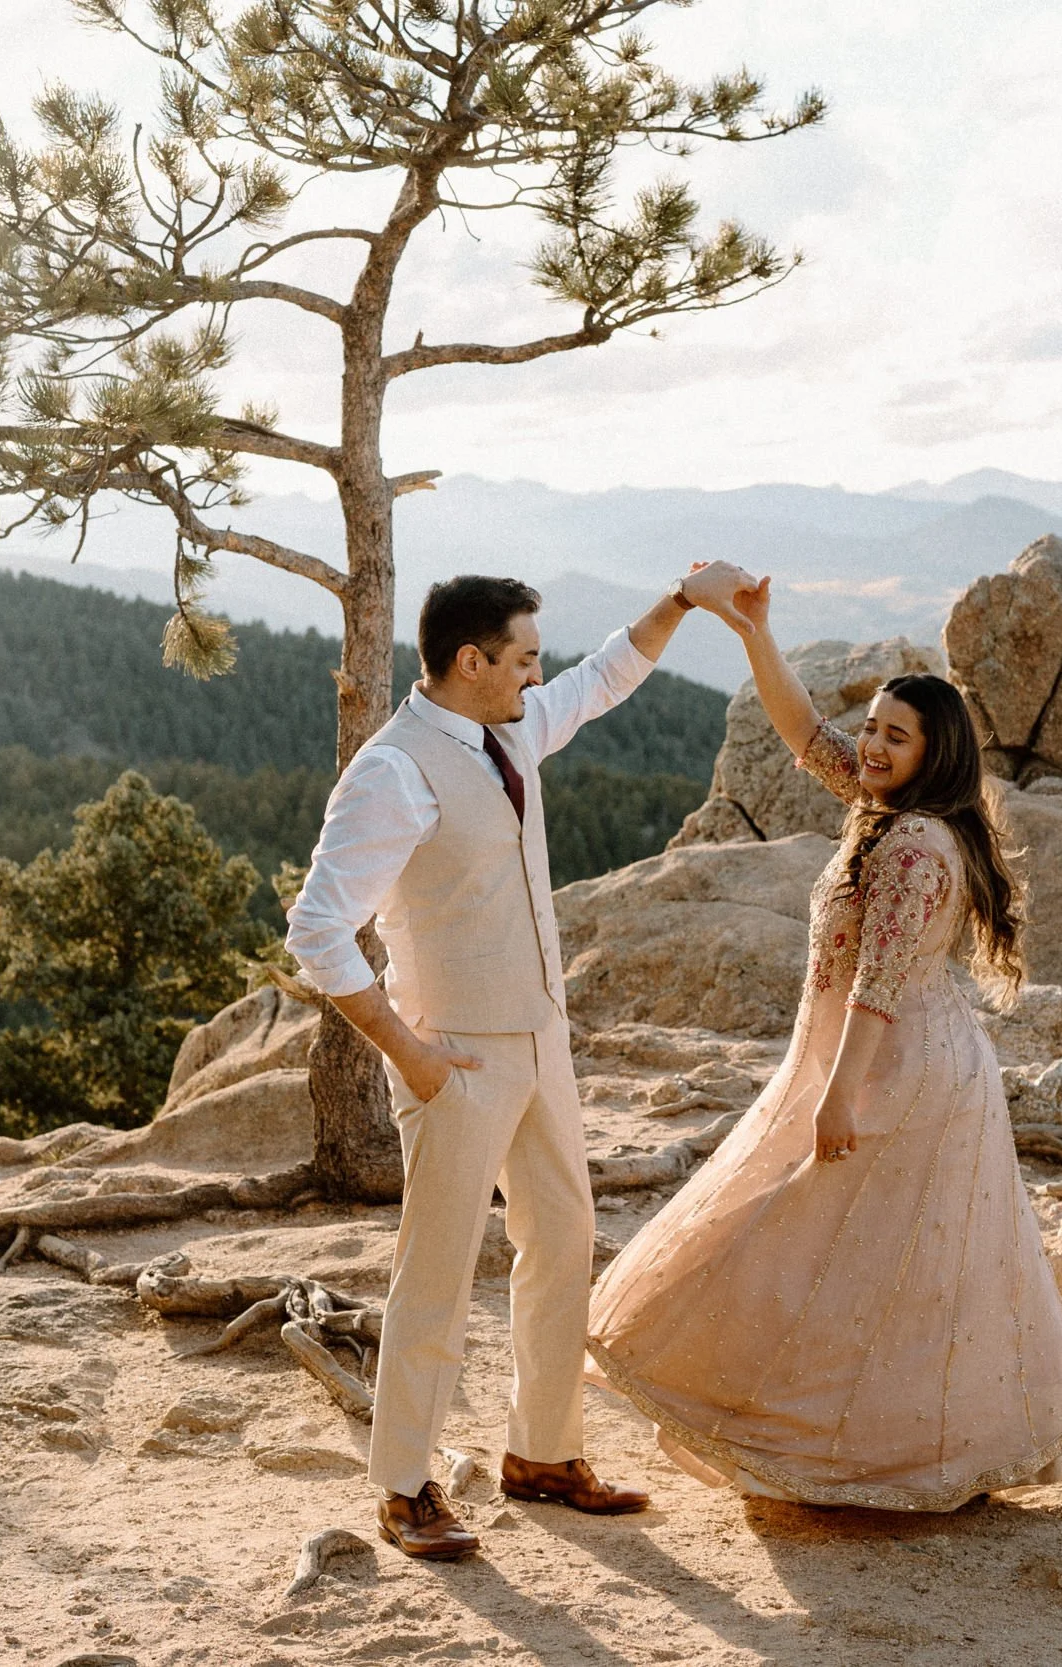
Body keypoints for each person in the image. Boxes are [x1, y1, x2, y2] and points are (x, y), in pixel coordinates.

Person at [586, 573, 1062, 1510]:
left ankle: (863, 1451)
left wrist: (834, 1096)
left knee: (822, 1246)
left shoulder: (913, 845)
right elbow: (802, 730)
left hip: (895, 1071)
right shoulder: (893, 814)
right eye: (872, 728)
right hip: (904, 1062)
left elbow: (878, 986)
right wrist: (755, 633)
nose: (871, 745)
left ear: (934, 755)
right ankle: (850, 1442)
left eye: (897, 736)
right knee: (870, 1258)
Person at [285, 563, 757, 1560]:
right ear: (472, 661)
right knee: (438, 1266)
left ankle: (542, 1453)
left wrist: (681, 602)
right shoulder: (393, 770)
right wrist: (409, 1053)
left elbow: (603, 678)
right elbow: (317, 929)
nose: (539, 675)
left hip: (540, 1037)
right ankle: (403, 1484)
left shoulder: (508, 728)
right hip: (454, 1055)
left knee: (563, 1235)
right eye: (525, 658)